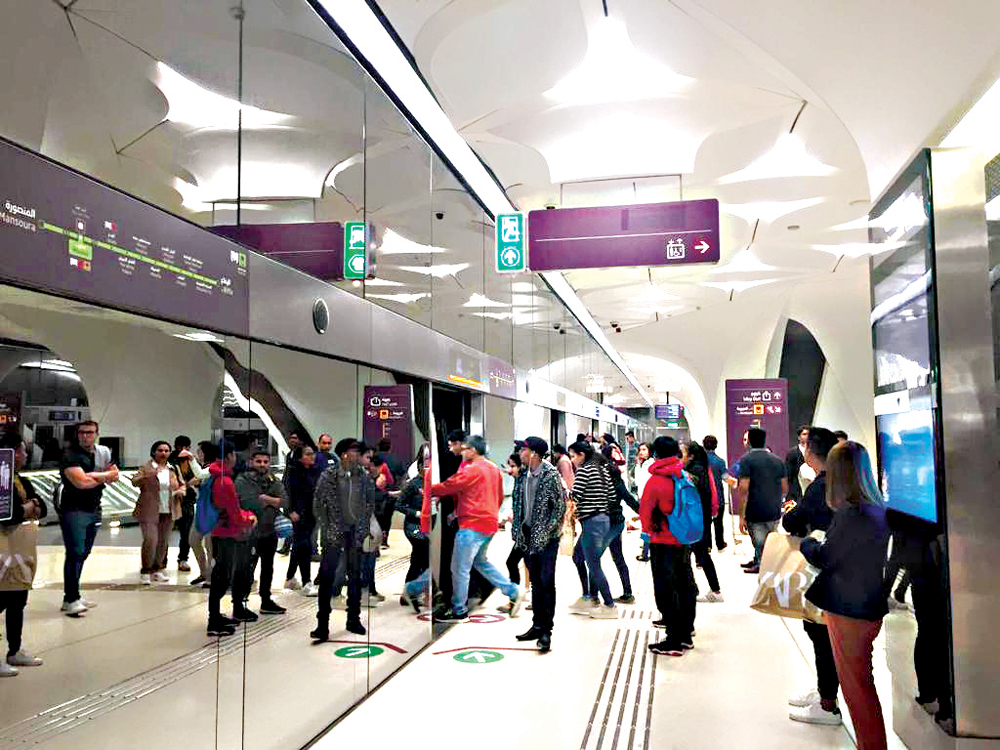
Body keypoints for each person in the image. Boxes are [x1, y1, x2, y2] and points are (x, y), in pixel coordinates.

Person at [800, 442, 890, 750]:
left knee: (857, 690)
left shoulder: (852, 515)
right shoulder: (876, 510)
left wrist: (808, 545)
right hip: (867, 604)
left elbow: (827, 557)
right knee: (861, 684)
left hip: (848, 609)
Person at [429, 435, 524, 622]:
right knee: (480, 562)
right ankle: (513, 590)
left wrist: (429, 489)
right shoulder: (494, 468)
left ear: (472, 450)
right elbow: (498, 496)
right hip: (489, 524)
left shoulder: (471, 469)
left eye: (464, 448)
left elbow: (451, 485)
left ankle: (459, 611)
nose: (462, 452)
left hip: (471, 524)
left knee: (459, 568)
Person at [782, 426, 842, 725]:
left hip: (823, 565)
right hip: (837, 567)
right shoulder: (840, 481)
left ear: (811, 451)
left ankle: (828, 702)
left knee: (820, 631)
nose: (801, 448)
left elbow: (796, 520)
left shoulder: (821, 484)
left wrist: (792, 515)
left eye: (805, 443)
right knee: (820, 631)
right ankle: (823, 691)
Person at [311, 439, 383, 640]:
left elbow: (370, 503)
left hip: (355, 535)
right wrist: (327, 526)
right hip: (334, 533)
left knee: (355, 577)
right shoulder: (329, 476)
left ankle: (353, 619)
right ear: (344, 454)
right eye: (355, 451)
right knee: (327, 578)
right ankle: (322, 624)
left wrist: (361, 527)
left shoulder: (364, 477)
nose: (358, 455)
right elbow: (318, 503)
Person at [641, 436, 697, 656]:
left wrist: (649, 532)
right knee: (685, 584)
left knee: (667, 588)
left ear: (656, 455)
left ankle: (673, 640)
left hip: (663, 541)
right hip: (684, 539)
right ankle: (685, 634)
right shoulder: (684, 475)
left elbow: (646, 514)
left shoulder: (655, 481)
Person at [59, 420, 119, 616]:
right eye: (82, 432)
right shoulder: (70, 455)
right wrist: (102, 476)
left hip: (93, 507)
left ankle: (73, 593)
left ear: (96, 434)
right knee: (75, 552)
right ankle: (71, 598)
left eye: (90, 432)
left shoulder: (100, 453)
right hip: (74, 510)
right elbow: (81, 483)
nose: (86, 436)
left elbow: (115, 475)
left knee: (83, 553)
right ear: (77, 434)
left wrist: (94, 475)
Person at [511, 436, 564, 653]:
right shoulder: (524, 474)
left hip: (547, 539)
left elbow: (559, 508)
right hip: (527, 536)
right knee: (535, 582)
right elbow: (518, 502)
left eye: (523, 449)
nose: (519, 453)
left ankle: (546, 632)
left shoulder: (550, 475)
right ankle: (536, 624)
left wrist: (547, 532)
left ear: (533, 453)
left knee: (545, 582)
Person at [0, 432, 47, 677]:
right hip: (2, 550)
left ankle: (14, 649)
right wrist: (26, 508)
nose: (27, 455)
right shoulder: (2, 479)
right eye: (23, 450)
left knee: (18, 600)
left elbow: (43, 507)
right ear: (13, 453)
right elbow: (7, 514)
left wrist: (29, 507)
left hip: (18, 549)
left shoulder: (20, 479)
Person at [207, 440, 257, 637]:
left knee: (221, 574)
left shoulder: (214, 476)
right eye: (234, 455)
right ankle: (213, 620)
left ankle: (215, 615)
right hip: (226, 533)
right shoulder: (224, 481)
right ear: (228, 456)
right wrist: (249, 519)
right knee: (222, 576)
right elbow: (232, 512)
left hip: (220, 531)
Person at [566, 441, 619, 619]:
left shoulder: (585, 470)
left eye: (573, 456)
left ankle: (609, 605)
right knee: (578, 556)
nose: (572, 460)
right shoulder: (602, 470)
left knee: (593, 564)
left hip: (592, 522)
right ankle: (588, 597)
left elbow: (575, 495)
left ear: (582, 454)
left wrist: (563, 491)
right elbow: (612, 496)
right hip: (602, 519)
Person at [235, 449, 287, 615]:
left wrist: (267, 499)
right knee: (246, 568)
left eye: (266, 462)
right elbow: (250, 502)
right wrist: (272, 501)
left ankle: (266, 600)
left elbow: (284, 500)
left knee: (268, 567)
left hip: (269, 530)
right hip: (249, 532)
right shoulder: (242, 480)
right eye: (259, 461)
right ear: (251, 462)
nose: (262, 465)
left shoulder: (273, 480)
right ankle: (239, 603)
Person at [131, 441, 185, 585]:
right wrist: (148, 475)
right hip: (149, 510)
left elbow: (182, 484)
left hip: (168, 509)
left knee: (163, 542)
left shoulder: (173, 468)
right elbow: (135, 481)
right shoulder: (146, 467)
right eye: (160, 450)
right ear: (154, 452)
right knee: (150, 540)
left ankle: (157, 569)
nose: (163, 453)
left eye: (166, 450)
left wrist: (181, 491)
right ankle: (146, 570)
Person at [738, 427, 787, 574]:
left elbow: (743, 489)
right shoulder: (777, 460)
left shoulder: (746, 460)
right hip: (773, 508)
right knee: (770, 538)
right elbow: (784, 487)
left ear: (750, 442)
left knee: (758, 541)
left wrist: (741, 515)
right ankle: (758, 560)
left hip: (755, 508)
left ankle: (762, 564)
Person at [686, 441, 723, 603]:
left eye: (683, 452)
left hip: (696, 519)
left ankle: (708, 590)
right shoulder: (701, 468)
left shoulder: (695, 471)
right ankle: (711, 590)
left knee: (697, 554)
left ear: (691, 455)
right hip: (700, 518)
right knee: (700, 554)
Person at [395, 444, 430, 601]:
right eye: (425, 465)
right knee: (420, 558)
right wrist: (416, 513)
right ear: (421, 466)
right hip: (413, 527)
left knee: (421, 559)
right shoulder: (413, 484)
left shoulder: (432, 483)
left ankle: (413, 592)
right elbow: (399, 504)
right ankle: (409, 592)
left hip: (427, 527)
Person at [284, 445, 319, 595]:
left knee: (299, 546)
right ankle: (307, 582)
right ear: (299, 457)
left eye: (313, 454)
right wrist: (290, 511)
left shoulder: (314, 471)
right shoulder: (293, 472)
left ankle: (290, 578)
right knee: (304, 547)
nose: (312, 456)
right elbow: (286, 493)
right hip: (298, 514)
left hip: (311, 514)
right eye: (308, 454)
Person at [168, 436, 201, 574]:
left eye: (186, 447)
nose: (183, 449)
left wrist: (189, 484)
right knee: (164, 531)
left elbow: (199, 477)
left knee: (186, 531)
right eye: (180, 446)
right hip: (170, 499)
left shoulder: (191, 461)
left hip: (188, 499)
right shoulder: (169, 460)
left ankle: (183, 559)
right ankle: (160, 559)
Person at [187, 441, 217, 586]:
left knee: (209, 544)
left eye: (199, 451)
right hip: (201, 508)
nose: (197, 454)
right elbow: (194, 481)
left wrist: (191, 459)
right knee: (193, 540)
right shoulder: (205, 468)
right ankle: (204, 572)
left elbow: (198, 476)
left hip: (213, 509)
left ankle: (211, 576)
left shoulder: (214, 467)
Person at [502, 452, 529, 600]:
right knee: (520, 563)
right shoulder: (519, 480)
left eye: (513, 466)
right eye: (509, 466)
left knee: (512, 562)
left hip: (526, 532)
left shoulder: (524, 481)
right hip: (522, 531)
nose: (509, 470)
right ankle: (518, 595)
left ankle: (515, 596)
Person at [703, 435, 729, 551]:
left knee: (706, 523)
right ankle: (720, 543)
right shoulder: (720, 461)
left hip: (704, 497)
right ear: (716, 446)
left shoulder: (701, 461)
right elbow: (725, 478)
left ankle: (708, 545)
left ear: (703, 445)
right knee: (718, 523)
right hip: (718, 497)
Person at [634, 442, 653, 562]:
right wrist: (637, 465)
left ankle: (645, 553)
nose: (641, 452)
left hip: (649, 498)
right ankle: (646, 549)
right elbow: (637, 481)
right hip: (642, 497)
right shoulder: (640, 465)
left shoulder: (651, 464)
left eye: (644, 449)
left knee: (647, 526)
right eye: (640, 450)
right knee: (645, 526)